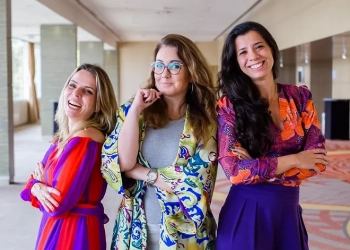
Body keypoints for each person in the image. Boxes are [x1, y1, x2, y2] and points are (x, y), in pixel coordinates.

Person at [216, 21, 329, 250]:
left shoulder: (300, 97)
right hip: (246, 211)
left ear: (271, 49)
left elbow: (318, 161)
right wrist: (296, 159)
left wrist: (256, 165)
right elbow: (236, 172)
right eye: (243, 52)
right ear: (236, 62)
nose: (254, 56)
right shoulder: (230, 106)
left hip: (288, 212)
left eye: (259, 46)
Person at [101, 34, 218, 250]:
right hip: (134, 230)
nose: (164, 73)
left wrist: (143, 172)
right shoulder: (133, 111)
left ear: (191, 72)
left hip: (188, 235)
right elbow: (120, 164)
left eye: (174, 66)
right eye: (159, 65)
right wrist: (136, 110)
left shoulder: (206, 122)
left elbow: (194, 184)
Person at [20, 63, 118, 250]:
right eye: (72, 85)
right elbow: (30, 184)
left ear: (99, 103)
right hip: (58, 228)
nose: (76, 93)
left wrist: (38, 184)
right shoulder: (62, 139)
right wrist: (37, 186)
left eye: (87, 91)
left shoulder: (85, 140)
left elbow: (56, 204)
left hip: (73, 233)